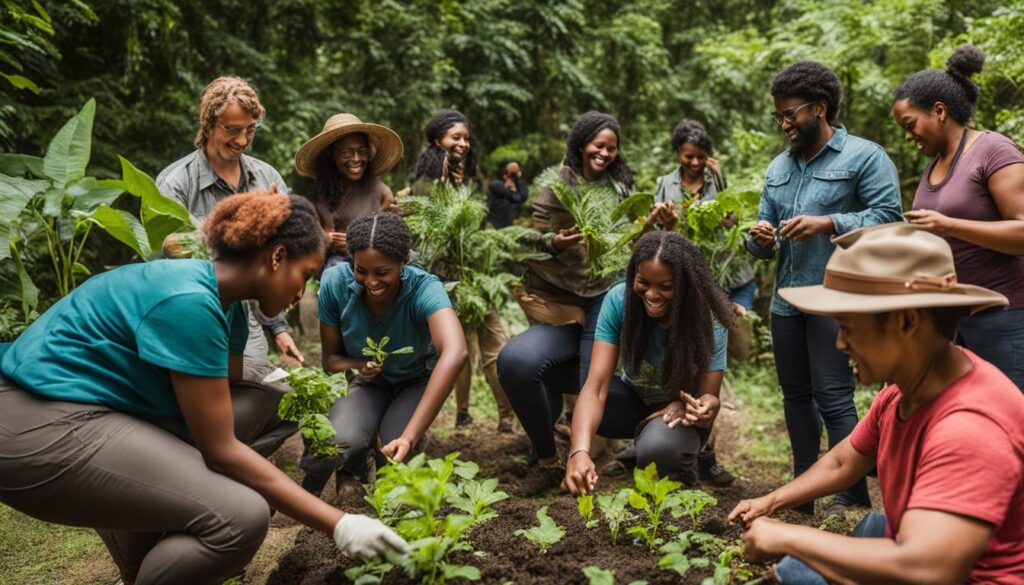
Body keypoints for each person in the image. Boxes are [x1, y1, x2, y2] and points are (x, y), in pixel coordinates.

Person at [0, 193, 409, 585]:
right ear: (277, 256)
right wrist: (340, 524)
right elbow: (221, 449)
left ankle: (139, 565)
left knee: (279, 401)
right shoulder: (189, 301)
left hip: (91, 408)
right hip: (37, 422)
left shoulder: (222, 298)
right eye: (303, 276)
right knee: (240, 515)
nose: (301, 293)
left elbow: (228, 383)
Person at [729, 223, 1023, 584]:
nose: (839, 343)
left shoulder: (970, 428)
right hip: (917, 550)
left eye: (848, 327)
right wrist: (770, 502)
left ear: (906, 321)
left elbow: (928, 568)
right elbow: (844, 461)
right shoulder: (905, 390)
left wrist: (789, 535)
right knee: (829, 553)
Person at [745, 61, 903, 515]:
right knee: (795, 395)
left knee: (833, 395)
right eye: (778, 116)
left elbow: (890, 218)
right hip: (786, 301)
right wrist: (758, 238)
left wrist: (829, 222)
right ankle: (803, 487)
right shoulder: (779, 167)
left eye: (790, 114)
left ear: (819, 107)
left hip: (837, 299)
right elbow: (766, 239)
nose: (784, 124)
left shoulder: (865, 157)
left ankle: (849, 492)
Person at [498, 111, 636, 491]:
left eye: (611, 148)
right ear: (580, 145)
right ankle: (546, 459)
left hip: (604, 301)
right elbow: (528, 238)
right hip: (557, 301)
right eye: (598, 145)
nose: (605, 153)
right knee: (517, 363)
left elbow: (632, 241)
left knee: (595, 381)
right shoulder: (557, 184)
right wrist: (555, 243)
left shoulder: (620, 188)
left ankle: (593, 452)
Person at [299, 212, 468, 496]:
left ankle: (396, 464)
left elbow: (456, 351)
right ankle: (346, 474)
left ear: (404, 261)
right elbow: (331, 361)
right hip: (369, 384)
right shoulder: (334, 284)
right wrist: (358, 365)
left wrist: (409, 436)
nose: (371, 282)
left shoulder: (424, 288)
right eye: (361, 270)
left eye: (382, 272)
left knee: (395, 450)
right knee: (338, 440)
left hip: (415, 382)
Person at [892, 45, 1024, 390]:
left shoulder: (993, 151)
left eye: (910, 124)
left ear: (939, 110)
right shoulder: (932, 167)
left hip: (1005, 316)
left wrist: (947, 225)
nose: (908, 137)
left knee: (1009, 424)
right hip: (951, 322)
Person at [562, 231, 733, 494]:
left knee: (659, 449)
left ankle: (680, 470)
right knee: (586, 410)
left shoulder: (709, 317)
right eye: (643, 282)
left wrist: (706, 405)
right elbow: (595, 387)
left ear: (685, 285)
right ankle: (642, 445)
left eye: (665, 286)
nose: (652, 294)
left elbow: (708, 396)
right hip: (635, 401)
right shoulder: (620, 300)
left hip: (678, 412)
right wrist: (579, 451)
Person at [157, 76, 303, 376]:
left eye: (250, 130)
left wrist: (279, 319)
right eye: (232, 130)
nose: (242, 140)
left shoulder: (267, 177)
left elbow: (291, 245)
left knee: (252, 386)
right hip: (193, 315)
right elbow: (165, 257)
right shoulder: (175, 183)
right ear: (208, 125)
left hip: (247, 320)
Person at [651, 118, 752, 486]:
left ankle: (706, 453)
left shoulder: (715, 181)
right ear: (679, 153)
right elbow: (656, 234)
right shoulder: (666, 183)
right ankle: (685, 449)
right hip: (676, 283)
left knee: (707, 368)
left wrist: (727, 215)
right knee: (680, 365)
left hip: (710, 280)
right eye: (688, 156)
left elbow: (730, 225)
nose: (695, 163)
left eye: (701, 157)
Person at [408, 109, 515, 432]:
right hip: (443, 278)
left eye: (466, 138)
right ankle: (463, 412)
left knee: (494, 345)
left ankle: (506, 416)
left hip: (474, 274)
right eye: (456, 137)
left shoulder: (461, 176)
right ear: (437, 139)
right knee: (461, 348)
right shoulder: (426, 183)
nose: (463, 144)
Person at [294, 113, 403, 270]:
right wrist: (327, 239)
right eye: (347, 153)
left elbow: (388, 236)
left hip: (373, 261)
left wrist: (354, 243)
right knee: (336, 269)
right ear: (332, 154)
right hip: (333, 263)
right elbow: (311, 239)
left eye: (362, 151)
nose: (356, 159)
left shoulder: (380, 191)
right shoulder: (318, 194)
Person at [487, 159, 528, 228]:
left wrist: (518, 181)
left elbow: (524, 197)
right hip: (493, 224)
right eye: (509, 174)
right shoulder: (496, 184)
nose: (511, 177)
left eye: (514, 175)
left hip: (508, 225)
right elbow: (511, 196)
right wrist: (513, 191)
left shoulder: (519, 187)